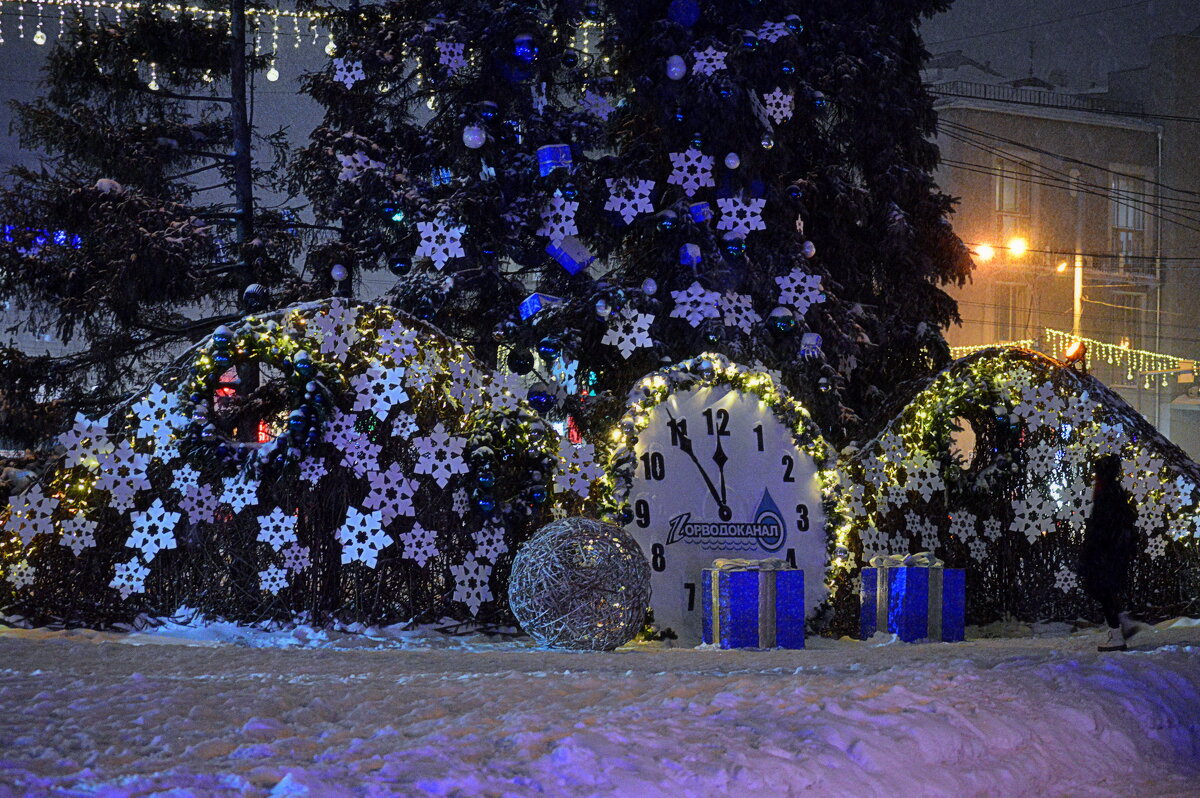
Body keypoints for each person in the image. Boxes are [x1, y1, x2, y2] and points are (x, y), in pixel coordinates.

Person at [1079, 453, 1140, 652]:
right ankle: (1121, 623)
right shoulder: (1112, 491)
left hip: (1105, 552)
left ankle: (1117, 633)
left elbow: (1102, 526)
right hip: (1112, 551)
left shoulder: (1106, 493)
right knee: (1104, 589)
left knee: (1101, 589)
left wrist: (1092, 549)